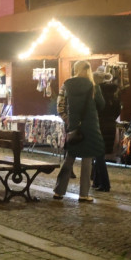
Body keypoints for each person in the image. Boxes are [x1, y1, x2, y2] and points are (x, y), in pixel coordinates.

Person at [52, 61, 104, 201]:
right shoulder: (93, 86)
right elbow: (101, 104)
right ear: (88, 70)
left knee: (69, 159)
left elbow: (60, 105)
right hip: (91, 127)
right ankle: (84, 194)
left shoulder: (66, 84)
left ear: (75, 69)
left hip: (74, 127)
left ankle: (59, 191)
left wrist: (68, 121)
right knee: (87, 161)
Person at [91, 72, 122, 192]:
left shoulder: (98, 93)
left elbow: (96, 108)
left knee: (98, 155)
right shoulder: (114, 94)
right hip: (110, 125)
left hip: (99, 125)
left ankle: (105, 183)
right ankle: (96, 180)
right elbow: (118, 110)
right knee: (100, 154)